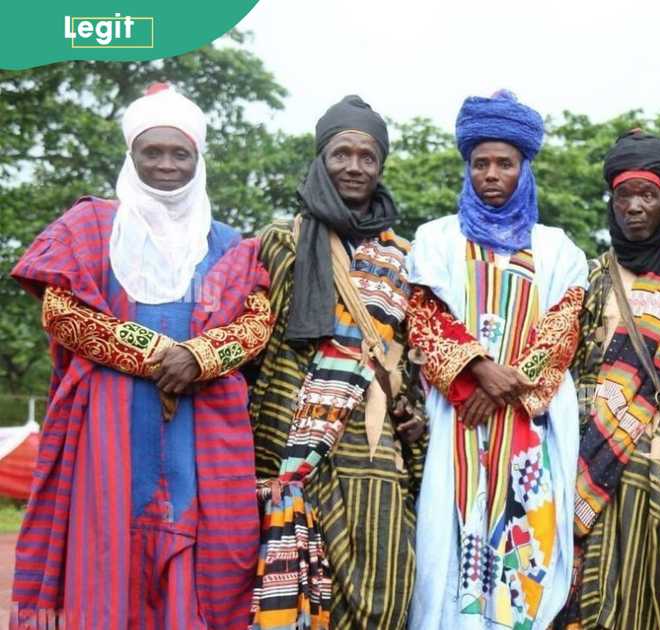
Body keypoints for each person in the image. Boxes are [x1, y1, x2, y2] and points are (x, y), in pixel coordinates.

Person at [9, 84, 272, 629]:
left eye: (181, 154)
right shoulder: (91, 226)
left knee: (200, 549)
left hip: (204, 420)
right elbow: (61, 312)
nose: (166, 165)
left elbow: (257, 321)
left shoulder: (229, 243)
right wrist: (154, 353)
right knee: (106, 550)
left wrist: (200, 355)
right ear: (131, 156)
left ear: (198, 160)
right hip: (108, 420)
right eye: (152, 152)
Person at [406, 90, 588, 630]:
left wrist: (500, 385)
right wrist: (477, 373)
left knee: (525, 544)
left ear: (524, 168)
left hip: (529, 424)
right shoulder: (436, 239)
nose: (491, 174)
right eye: (480, 163)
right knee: (449, 536)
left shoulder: (558, 248)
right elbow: (427, 317)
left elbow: (560, 332)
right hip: (457, 418)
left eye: (504, 164)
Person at [247, 95, 425, 629]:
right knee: (296, 586)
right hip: (291, 444)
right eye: (341, 154)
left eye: (366, 156)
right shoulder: (280, 242)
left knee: (388, 589)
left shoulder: (402, 257)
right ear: (321, 158)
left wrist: (412, 407)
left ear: (381, 165)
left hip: (374, 442)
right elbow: (256, 342)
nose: (354, 166)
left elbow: (408, 354)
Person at [557, 130, 660, 630]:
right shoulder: (592, 275)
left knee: (651, 599)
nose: (636, 207)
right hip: (588, 461)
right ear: (612, 201)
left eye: (648, 195)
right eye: (625, 195)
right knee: (582, 600)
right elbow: (570, 364)